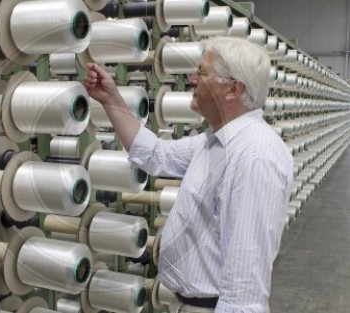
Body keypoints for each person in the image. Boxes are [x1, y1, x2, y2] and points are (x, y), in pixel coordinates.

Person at [84, 36, 293, 313]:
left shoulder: (254, 157)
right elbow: (156, 154)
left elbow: (245, 288)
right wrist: (110, 100)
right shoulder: (215, 141)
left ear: (232, 89)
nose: (192, 80)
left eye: (203, 73)